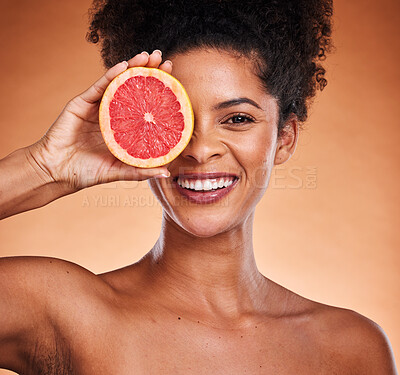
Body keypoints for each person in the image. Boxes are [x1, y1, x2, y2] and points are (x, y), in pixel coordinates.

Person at [0, 0, 397, 373]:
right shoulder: (64, 312)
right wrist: (44, 167)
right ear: (144, 130)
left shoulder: (351, 349)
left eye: (237, 119)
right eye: (180, 118)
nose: (201, 150)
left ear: (285, 138)